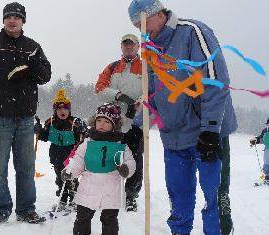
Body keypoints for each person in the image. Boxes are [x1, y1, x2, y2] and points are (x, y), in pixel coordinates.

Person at [128, 1, 237, 235]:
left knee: (214, 198)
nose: (142, 31)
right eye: (137, 26)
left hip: (206, 134)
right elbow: (152, 93)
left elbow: (215, 81)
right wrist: (138, 124)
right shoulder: (150, 50)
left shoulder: (192, 32)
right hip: (174, 136)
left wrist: (210, 129)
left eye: (143, 23)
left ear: (158, 14)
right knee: (178, 196)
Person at [0, 2, 52, 228]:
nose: (12, 20)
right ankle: (1, 209)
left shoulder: (32, 47)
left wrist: (34, 66)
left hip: (25, 118)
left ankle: (26, 210)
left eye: (17, 17)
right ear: (4, 20)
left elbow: (45, 76)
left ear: (23, 20)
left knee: (25, 167)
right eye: (8, 17)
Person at [61, 103, 136, 235]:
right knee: (82, 218)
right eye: (99, 120)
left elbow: (130, 162)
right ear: (94, 122)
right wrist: (70, 170)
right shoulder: (87, 142)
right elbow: (78, 160)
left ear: (114, 125)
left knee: (110, 220)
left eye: (107, 121)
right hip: (88, 188)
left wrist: (126, 169)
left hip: (111, 190)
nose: (102, 124)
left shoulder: (120, 146)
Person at [95, 33, 144, 212]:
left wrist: (139, 101)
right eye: (125, 45)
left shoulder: (146, 67)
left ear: (138, 46)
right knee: (109, 157)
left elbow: (154, 88)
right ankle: (107, 192)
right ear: (121, 47)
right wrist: (118, 96)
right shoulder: (113, 67)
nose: (128, 47)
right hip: (113, 122)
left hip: (136, 122)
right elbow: (99, 87)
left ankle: (131, 195)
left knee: (135, 158)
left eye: (132, 44)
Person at [34, 88, 87, 212]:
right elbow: (44, 136)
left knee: (71, 178)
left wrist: (83, 130)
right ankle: (62, 198)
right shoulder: (50, 122)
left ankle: (74, 198)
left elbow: (83, 137)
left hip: (71, 156)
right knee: (59, 178)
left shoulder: (74, 122)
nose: (62, 111)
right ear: (55, 110)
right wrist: (38, 130)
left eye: (65, 108)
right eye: (59, 108)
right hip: (56, 156)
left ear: (69, 110)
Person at [250, 118, 269, 184]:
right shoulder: (265, 130)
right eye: (268, 124)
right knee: (267, 163)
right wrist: (255, 140)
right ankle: (267, 177)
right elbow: (261, 139)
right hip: (267, 150)